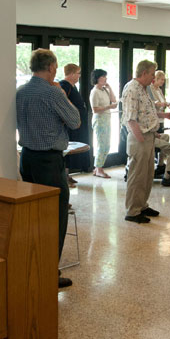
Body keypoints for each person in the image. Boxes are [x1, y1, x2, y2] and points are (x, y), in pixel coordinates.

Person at [17, 49, 81, 288]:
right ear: (52, 67)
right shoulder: (52, 92)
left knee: (35, 215)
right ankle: (48, 272)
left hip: (27, 158)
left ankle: (32, 264)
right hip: (48, 160)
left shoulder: (21, 92)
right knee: (55, 215)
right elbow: (75, 120)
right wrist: (62, 95)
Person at [121, 60, 170, 223]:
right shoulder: (132, 89)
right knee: (137, 175)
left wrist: (163, 117)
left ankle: (142, 205)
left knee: (147, 175)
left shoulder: (144, 89)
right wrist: (141, 138)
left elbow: (146, 113)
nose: (153, 78)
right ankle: (132, 210)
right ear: (143, 73)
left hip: (148, 137)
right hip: (140, 139)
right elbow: (131, 119)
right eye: (152, 74)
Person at [59, 64, 91, 185]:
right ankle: (65, 176)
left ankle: (68, 174)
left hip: (78, 124)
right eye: (78, 73)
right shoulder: (64, 86)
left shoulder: (73, 86)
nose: (79, 76)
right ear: (71, 74)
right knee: (68, 151)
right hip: (70, 126)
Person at [148, 70, 170, 187]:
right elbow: (154, 103)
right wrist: (162, 105)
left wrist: (165, 104)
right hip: (154, 120)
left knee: (164, 137)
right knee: (166, 143)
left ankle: (161, 165)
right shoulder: (149, 89)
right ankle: (166, 173)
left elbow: (160, 102)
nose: (162, 81)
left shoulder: (159, 90)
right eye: (161, 79)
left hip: (159, 119)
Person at [89, 68, 117, 179]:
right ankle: (99, 168)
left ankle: (98, 168)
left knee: (107, 145)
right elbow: (94, 109)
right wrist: (109, 107)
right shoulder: (94, 91)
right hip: (99, 119)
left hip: (106, 118)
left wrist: (109, 88)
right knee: (102, 144)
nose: (105, 79)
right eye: (103, 77)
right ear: (97, 78)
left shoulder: (104, 90)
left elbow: (114, 99)